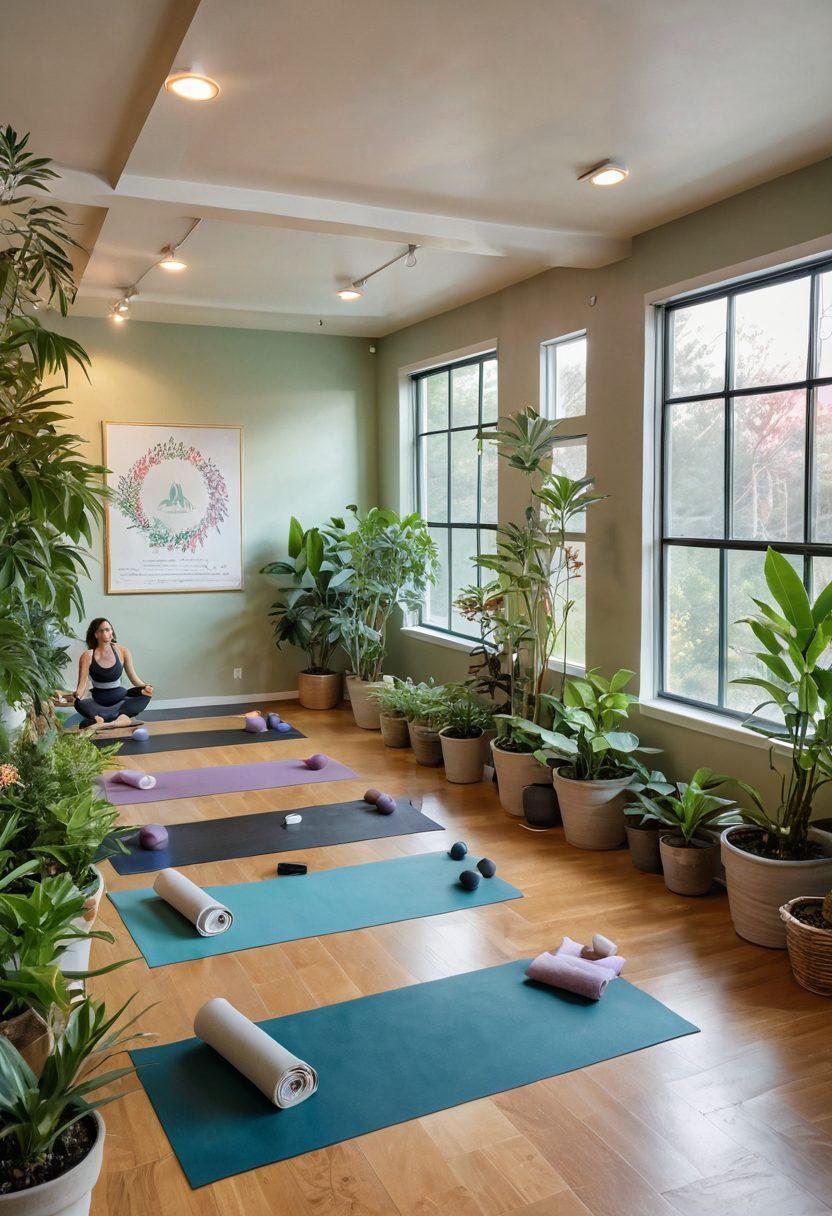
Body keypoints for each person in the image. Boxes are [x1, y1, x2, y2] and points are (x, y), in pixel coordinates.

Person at [74, 618, 154, 730]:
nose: (108, 633)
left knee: (146, 693)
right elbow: (81, 686)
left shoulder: (123, 651)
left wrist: (146, 687)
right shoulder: (87, 656)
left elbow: (134, 679)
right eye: (103, 630)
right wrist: (76, 695)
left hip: (120, 697)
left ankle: (102, 720)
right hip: (98, 700)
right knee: (78, 703)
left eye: (109, 629)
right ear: (96, 635)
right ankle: (121, 718)